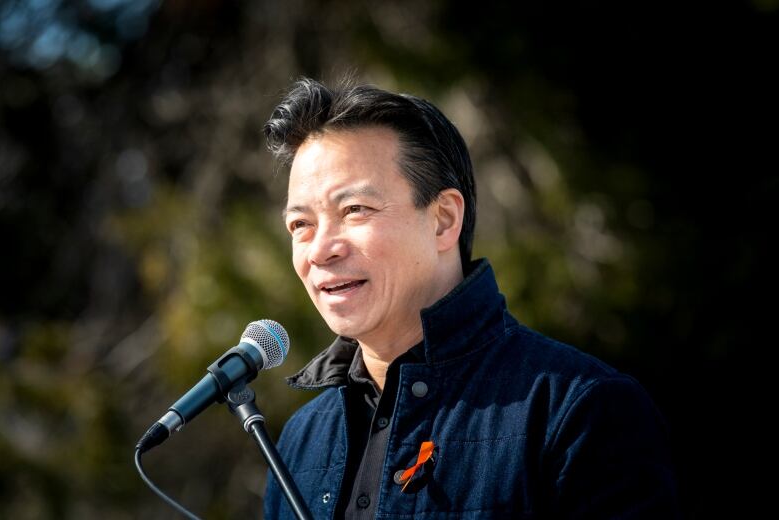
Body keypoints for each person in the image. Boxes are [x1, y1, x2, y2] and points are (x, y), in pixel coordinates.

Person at [262, 77, 679, 519]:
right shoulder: (299, 440)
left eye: (354, 210)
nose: (322, 249)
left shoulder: (580, 410)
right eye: (301, 224)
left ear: (443, 220)